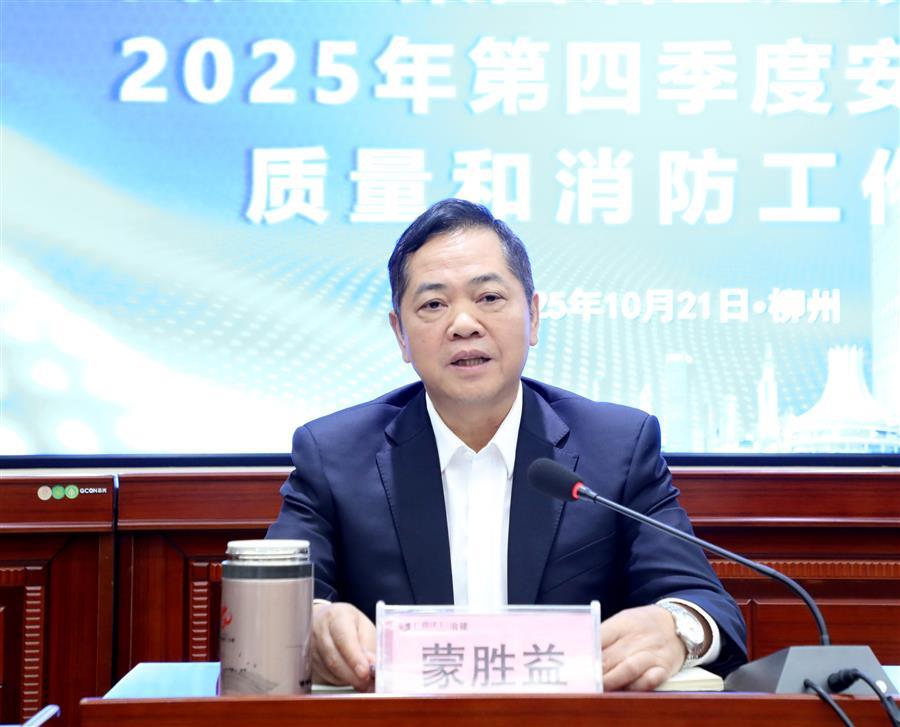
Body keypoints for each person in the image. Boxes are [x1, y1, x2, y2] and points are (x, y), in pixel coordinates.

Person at [267, 198, 747, 692]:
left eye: (489, 297)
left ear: (533, 317)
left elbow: (704, 603)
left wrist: (674, 629)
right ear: (401, 335)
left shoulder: (618, 447)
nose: (463, 324)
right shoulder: (333, 455)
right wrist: (313, 623)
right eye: (433, 305)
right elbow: (273, 601)